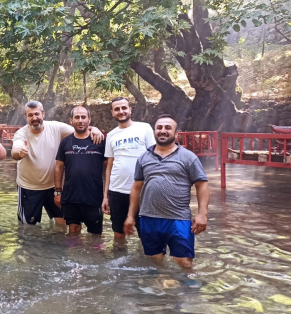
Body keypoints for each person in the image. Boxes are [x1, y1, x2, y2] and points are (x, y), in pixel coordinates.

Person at [124, 115, 210, 268]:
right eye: (159, 128)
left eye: (168, 128)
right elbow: (137, 187)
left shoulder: (188, 158)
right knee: (154, 260)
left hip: (178, 218)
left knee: (184, 262)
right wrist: (131, 216)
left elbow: (201, 185)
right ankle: (160, 289)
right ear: (154, 132)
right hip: (148, 217)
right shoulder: (143, 158)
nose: (163, 131)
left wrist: (202, 214)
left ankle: (185, 290)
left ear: (176, 133)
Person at [11, 101, 103, 226]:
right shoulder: (21, 133)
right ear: (26, 117)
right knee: (27, 227)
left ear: (43, 114)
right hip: (29, 187)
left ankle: (60, 245)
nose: (34, 118)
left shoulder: (55, 127)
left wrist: (95, 129)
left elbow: (80, 128)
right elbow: (15, 150)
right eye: (30, 115)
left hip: (52, 187)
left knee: (63, 224)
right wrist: (19, 152)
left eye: (37, 114)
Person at [103, 97, 156, 241]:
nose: (121, 111)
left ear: (130, 109)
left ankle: (146, 261)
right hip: (117, 190)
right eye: (117, 109)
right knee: (118, 233)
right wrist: (105, 196)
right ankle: (119, 262)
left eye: (124, 108)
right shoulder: (111, 135)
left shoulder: (144, 128)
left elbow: (154, 158)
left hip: (142, 191)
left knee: (146, 233)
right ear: (112, 113)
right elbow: (109, 165)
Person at [54, 105, 106, 235]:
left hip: (94, 197)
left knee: (95, 236)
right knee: (73, 232)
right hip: (71, 196)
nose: (80, 120)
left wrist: (107, 195)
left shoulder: (99, 141)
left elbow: (109, 168)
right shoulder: (66, 142)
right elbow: (58, 167)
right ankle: (74, 256)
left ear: (89, 119)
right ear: (71, 121)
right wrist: (58, 192)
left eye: (84, 117)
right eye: (77, 117)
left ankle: (94, 256)